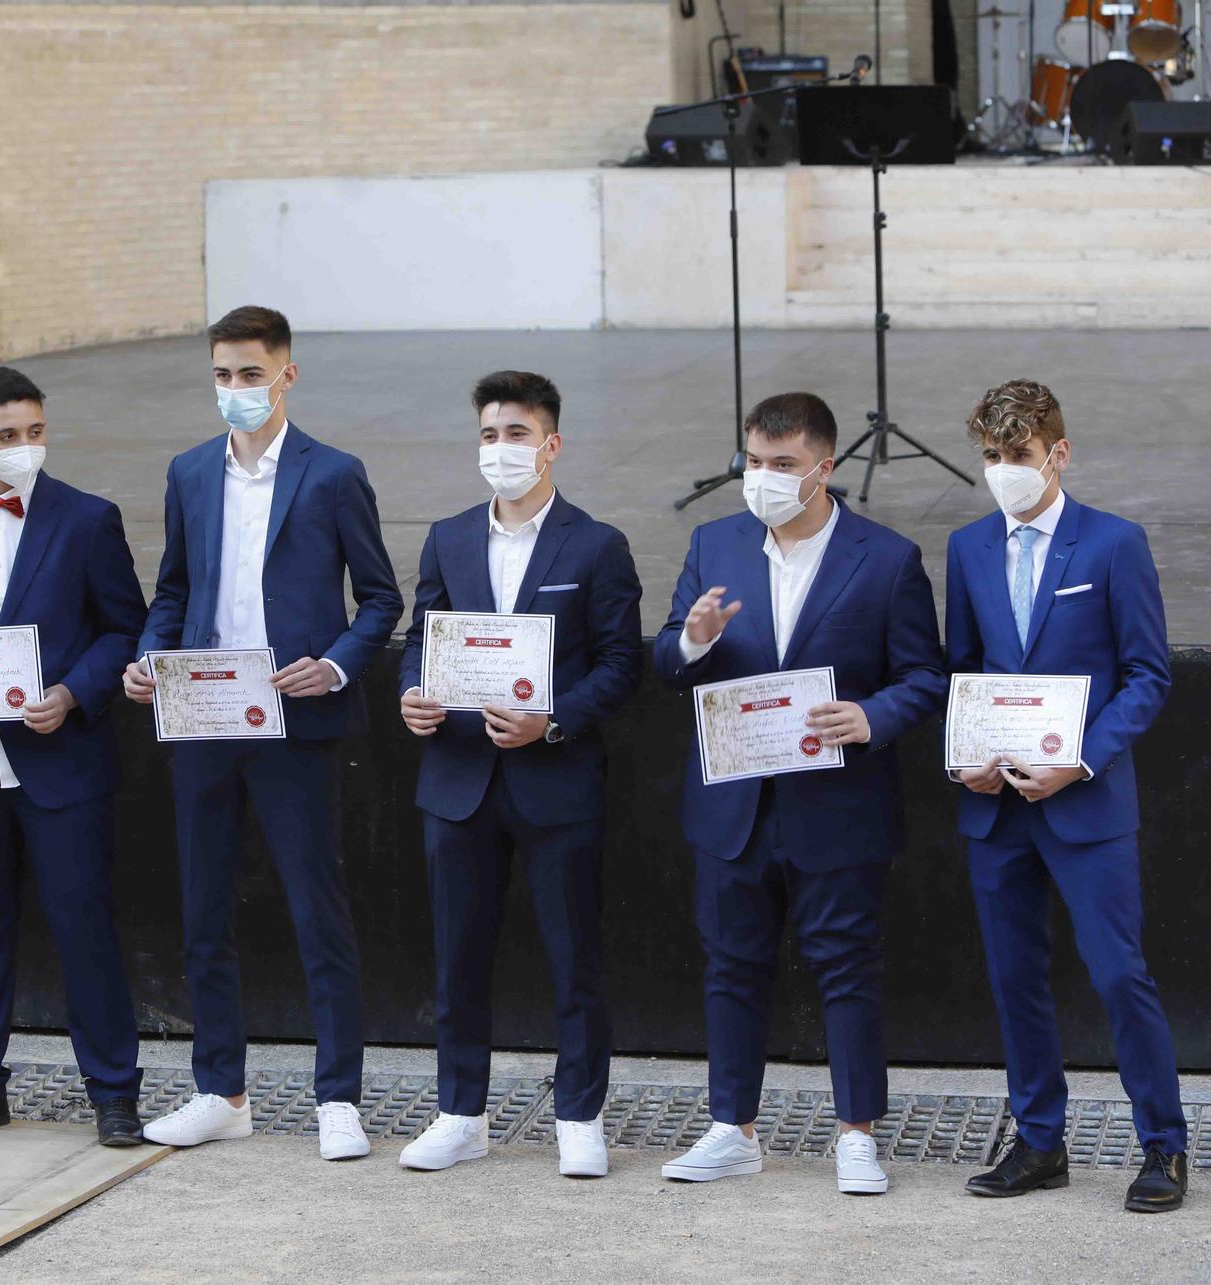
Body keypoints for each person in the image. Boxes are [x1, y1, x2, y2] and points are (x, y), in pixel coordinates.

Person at [124, 305, 402, 1160]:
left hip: (296, 715)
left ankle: (338, 1097)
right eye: (222, 375)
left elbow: (382, 598)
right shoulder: (190, 472)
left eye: (250, 373)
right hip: (204, 715)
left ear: (286, 374)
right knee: (204, 909)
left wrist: (338, 662)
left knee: (317, 907)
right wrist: (146, 655)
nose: (235, 389)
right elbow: (173, 588)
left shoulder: (333, 474)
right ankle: (221, 1089)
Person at [652, 392, 943, 1196]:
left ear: (826, 467)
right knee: (730, 964)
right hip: (733, 802)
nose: (764, 477)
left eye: (783, 465)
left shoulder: (884, 558)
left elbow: (925, 675)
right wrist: (691, 639)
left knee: (847, 964)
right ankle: (731, 1128)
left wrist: (871, 715)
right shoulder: (715, 543)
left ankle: (856, 1133)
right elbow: (670, 665)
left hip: (838, 799)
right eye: (754, 461)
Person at [946, 380, 1186, 1213]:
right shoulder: (968, 547)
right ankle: (1041, 1141)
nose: (1004, 471)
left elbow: (1148, 675)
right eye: (991, 457)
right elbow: (964, 671)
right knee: (1015, 977)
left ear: (1059, 452)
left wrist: (1080, 761)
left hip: (1085, 801)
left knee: (1120, 974)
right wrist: (962, 756)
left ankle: (1164, 1143)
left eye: (1018, 456)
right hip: (996, 805)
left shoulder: (1115, 545)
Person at [394, 372, 643, 1174]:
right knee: (457, 955)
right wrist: (411, 693)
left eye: (517, 435)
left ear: (551, 444)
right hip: (457, 780)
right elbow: (418, 635)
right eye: (490, 435)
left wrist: (555, 716)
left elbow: (618, 664)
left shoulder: (596, 545)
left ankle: (579, 1114)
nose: (501, 449)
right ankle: (460, 1110)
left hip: (556, 777)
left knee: (574, 954)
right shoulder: (449, 535)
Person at [0, 368, 150, 1148]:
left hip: (61, 757)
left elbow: (123, 629)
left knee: (84, 927)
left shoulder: (88, 518)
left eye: (36, 431)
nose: (26, 447)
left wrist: (74, 692)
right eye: (9, 436)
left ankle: (113, 1092)